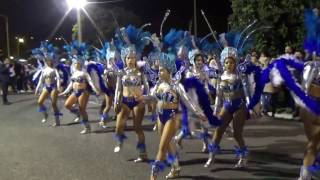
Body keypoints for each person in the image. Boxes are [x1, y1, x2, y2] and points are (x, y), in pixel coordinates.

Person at [139, 52, 207, 180]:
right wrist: (143, 97)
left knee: (162, 147)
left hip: (171, 117)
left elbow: (188, 101)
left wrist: (198, 113)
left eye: (162, 70)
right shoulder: (159, 85)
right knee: (168, 144)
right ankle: (175, 167)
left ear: (169, 71)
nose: (159, 73)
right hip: (160, 117)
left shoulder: (176, 86)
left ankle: (153, 175)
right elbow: (152, 97)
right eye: (159, 70)